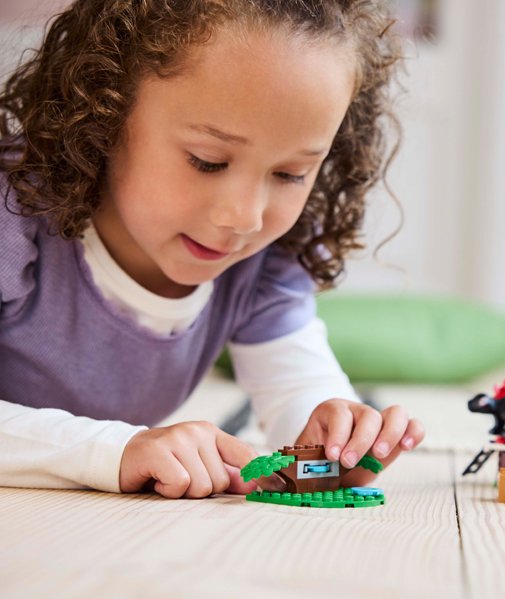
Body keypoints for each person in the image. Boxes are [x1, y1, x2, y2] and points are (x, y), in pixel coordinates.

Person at [0, 0, 424, 498]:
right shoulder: (14, 211)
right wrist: (114, 451)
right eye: (207, 161)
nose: (245, 217)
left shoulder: (267, 261)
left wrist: (335, 445)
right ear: (102, 112)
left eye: (290, 174)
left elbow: (296, 388)